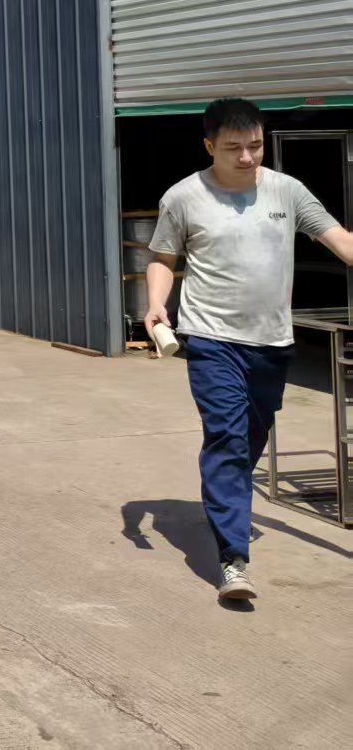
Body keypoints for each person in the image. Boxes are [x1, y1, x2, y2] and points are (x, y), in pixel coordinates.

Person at [145, 98, 353, 602]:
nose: (247, 157)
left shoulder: (287, 190)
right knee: (226, 437)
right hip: (211, 339)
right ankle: (232, 559)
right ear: (209, 146)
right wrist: (155, 306)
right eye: (234, 148)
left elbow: (341, 242)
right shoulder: (184, 197)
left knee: (250, 437)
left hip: (272, 343)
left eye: (255, 146)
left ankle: (225, 501)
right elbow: (162, 258)